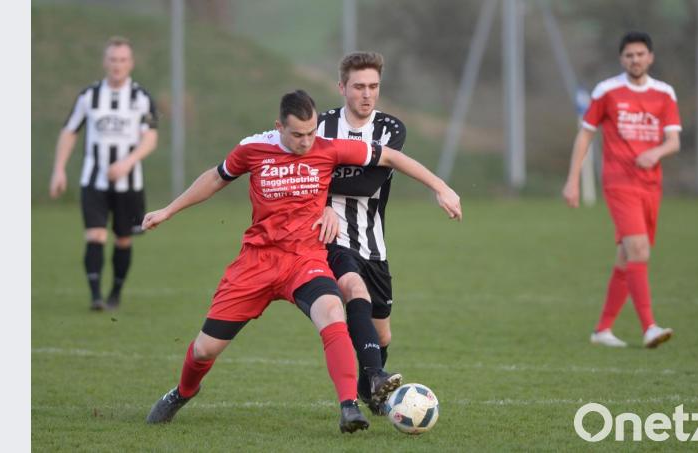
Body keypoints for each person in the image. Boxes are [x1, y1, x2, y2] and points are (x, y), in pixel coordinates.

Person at [143, 90, 461, 433]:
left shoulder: (327, 147)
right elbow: (216, 178)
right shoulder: (253, 149)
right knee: (205, 349)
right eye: (297, 134)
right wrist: (168, 210)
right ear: (279, 126)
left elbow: (390, 158)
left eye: (311, 132)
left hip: (304, 259)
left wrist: (440, 186)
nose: (306, 141)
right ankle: (182, 392)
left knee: (332, 310)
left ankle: (349, 407)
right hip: (257, 262)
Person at [562, 31, 681, 349]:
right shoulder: (608, 91)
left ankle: (602, 330)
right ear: (621, 59)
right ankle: (649, 328)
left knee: (627, 256)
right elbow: (585, 135)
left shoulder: (665, 94)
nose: (635, 59)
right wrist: (573, 179)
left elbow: (674, 140)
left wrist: (655, 153)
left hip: (651, 186)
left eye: (641, 54)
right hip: (619, 182)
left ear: (650, 57)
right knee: (639, 251)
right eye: (629, 55)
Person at [313, 52, 407, 415]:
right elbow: (302, 169)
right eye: (358, 87)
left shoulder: (390, 129)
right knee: (353, 287)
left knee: (382, 335)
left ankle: (370, 386)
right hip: (332, 237)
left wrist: (321, 179)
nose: (367, 95)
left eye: (373, 87)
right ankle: (373, 376)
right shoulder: (319, 126)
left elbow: (370, 182)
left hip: (374, 242)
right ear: (342, 88)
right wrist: (319, 202)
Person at [49, 36, 158, 311]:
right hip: (93, 181)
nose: (117, 65)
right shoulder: (89, 96)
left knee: (123, 238)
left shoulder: (141, 98)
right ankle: (96, 296)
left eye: (122, 60)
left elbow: (151, 138)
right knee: (95, 235)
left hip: (129, 183)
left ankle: (115, 294)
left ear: (130, 63)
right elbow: (69, 131)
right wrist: (59, 169)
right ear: (104, 61)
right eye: (112, 59)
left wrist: (128, 161)